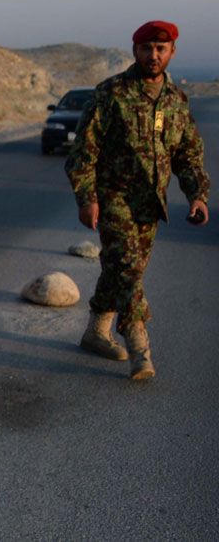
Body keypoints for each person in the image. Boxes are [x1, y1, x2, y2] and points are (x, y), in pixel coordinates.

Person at [66, 20, 210, 380]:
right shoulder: (111, 93)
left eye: (161, 49)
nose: (153, 55)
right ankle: (139, 346)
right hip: (114, 198)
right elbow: (84, 152)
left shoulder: (176, 101)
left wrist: (197, 195)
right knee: (129, 269)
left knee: (123, 269)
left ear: (172, 52)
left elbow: (187, 155)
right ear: (135, 51)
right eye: (147, 48)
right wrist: (88, 198)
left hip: (151, 204)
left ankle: (96, 332)